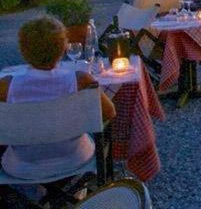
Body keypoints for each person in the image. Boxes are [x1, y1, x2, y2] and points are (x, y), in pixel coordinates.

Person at [0, 16, 116, 181]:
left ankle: (34, 192)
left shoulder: (6, 86)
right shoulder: (81, 80)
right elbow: (109, 112)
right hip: (75, 158)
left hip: (24, 166)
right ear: (63, 48)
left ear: (23, 50)